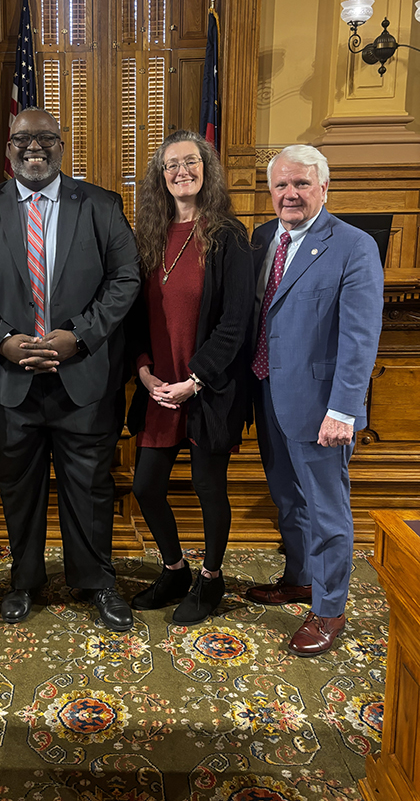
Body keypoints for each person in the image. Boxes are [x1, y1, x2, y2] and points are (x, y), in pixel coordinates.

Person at [0, 107, 141, 631]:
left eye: (46, 138)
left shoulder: (101, 204)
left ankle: (96, 580)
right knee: (19, 484)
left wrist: (79, 335)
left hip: (85, 379)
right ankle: (24, 581)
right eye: (23, 139)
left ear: (63, 145)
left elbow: (126, 278)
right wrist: (3, 341)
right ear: (7, 147)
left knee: (91, 486)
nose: (34, 147)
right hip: (10, 382)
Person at [246, 144, 384, 655]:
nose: (290, 194)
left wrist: (343, 409)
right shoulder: (264, 238)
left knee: (327, 510)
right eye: (281, 184)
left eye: (302, 184)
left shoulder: (353, 245)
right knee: (288, 498)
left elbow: (360, 337)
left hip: (323, 407)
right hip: (268, 395)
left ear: (324, 188)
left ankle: (329, 609)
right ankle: (300, 577)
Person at [127, 129, 254, 624]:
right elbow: (135, 317)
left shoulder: (228, 236)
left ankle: (212, 579)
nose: (182, 171)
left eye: (191, 162)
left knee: (208, 487)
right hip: (159, 387)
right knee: (146, 488)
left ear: (207, 170)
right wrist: (141, 371)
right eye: (171, 165)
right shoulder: (149, 237)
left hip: (208, 388)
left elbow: (235, 322)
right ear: (161, 177)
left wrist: (196, 379)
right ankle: (175, 567)